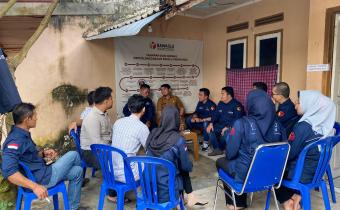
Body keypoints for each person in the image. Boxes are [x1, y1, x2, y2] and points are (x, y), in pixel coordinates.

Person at [1, 103, 89, 210]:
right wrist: (35, 186)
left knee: (77, 171)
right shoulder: (15, 141)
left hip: (43, 172)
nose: (36, 118)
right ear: (27, 119)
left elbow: (29, 155)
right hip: (42, 179)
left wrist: (43, 154)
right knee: (74, 154)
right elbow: (9, 172)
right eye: (34, 115)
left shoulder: (22, 133)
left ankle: (72, 208)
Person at [216, 90, 286, 209]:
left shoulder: (241, 123)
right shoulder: (278, 124)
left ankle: (236, 204)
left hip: (247, 175)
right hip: (272, 175)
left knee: (221, 162)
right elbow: (283, 149)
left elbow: (230, 154)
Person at [275, 90, 336, 210]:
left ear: (311, 105)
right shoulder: (327, 127)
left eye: (298, 102)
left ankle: (288, 203)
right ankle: (297, 196)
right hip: (316, 172)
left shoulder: (303, 126)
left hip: (300, 174)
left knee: (272, 170)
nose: (295, 105)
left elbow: (290, 153)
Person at [146, 106, 207, 207]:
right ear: (176, 119)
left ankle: (189, 198)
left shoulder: (153, 133)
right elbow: (186, 167)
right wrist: (189, 164)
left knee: (174, 164)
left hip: (148, 187)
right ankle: (187, 198)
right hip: (166, 190)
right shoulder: (178, 139)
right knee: (183, 168)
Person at [109, 94, 150, 202]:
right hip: (126, 175)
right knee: (151, 162)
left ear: (128, 108)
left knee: (127, 156)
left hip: (110, 171)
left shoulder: (117, 122)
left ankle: (112, 193)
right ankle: (147, 199)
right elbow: (149, 149)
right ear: (144, 109)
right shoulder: (142, 127)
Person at [80, 86, 113, 170]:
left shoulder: (103, 114)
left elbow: (109, 133)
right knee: (120, 160)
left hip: (103, 147)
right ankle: (113, 181)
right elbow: (97, 144)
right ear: (106, 101)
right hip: (91, 152)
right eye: (111, 99)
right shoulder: (92, 118)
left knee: (124, 153)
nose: (112, 101)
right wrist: (113, 149)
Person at [206, 86, 244, 156]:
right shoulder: (221, 103)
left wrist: (228, 127)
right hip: (220, 125)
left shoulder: (237, 105)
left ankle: (220, 149)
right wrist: (211, 123)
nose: (221, 96)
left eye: (223, 94)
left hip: (231, 127)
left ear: (229, 95)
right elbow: (215, 114)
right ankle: (217, 149)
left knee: (226, 132)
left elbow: (238, 119)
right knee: (209, 129)